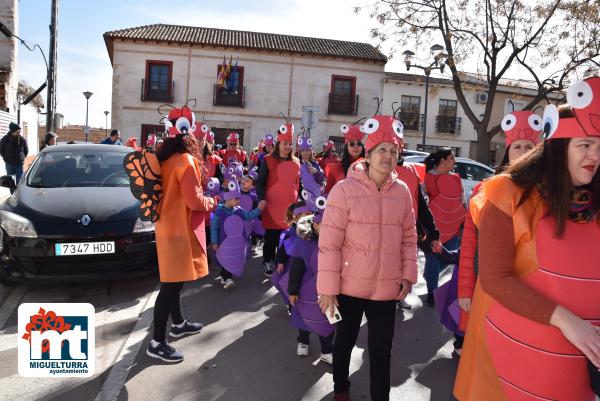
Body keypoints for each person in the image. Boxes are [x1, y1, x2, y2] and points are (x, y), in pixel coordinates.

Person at [454, 80, 600, 401]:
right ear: (560, 146)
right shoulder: (506, 193)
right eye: (585, 145)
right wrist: (567, 320)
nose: (595, 156)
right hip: (514, 363)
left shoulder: (594, 201)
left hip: (580, 372)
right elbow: (493, 275)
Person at [317, 115, 418, 401]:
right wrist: (327, 287)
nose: (388, 156)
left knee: (381, 351)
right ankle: (341, 390)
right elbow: (329, 243)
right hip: (349, 286)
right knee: (344, 342)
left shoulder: (403, 193)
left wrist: (408, 275)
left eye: (394, 151)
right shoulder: (344, 190)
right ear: (369, 153)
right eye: (382, 150)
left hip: (386, 289)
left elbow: (409, 238)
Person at [456, 110, 541, 353]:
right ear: (507, 152)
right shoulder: (486, 190)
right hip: (489, 287)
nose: (524, 153)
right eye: (517, 147)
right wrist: (465, 289)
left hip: (532, 291)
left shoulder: (548, 193)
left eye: (529, 147)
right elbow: (470, 244)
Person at [145, 109, 219, 363]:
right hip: (178, 230)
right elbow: (195, 201)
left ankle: (177, 323)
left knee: (175, 281)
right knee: (170, 286)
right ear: (190, 132)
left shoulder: (165, 158)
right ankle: (157, 342)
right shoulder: (186, 161)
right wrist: (214, 201)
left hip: (168, 228)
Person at [288, 213, 334, 365]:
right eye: (325, 226)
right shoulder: (304, 242)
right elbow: (296, 268)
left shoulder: (336, 241)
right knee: (304, 317)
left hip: (328, 289)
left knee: (327, 320)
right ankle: (303, 341)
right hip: (305, 288)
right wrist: (293, 291)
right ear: (315, 225)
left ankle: (327, 350)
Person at [256, 122, 300, 277]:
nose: (287, 146)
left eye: (290, 144)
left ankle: (281, 263)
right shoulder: (267, 159)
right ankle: (267, 260)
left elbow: (297, 184)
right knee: (272, 238)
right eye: (285, 143)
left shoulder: (296, 162)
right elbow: (260, 181)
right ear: (278, 143)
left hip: (289, 207)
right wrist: (261, 199)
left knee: (287, 238)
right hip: (271, 205)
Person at [422, 148, 465, 306]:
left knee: (449, 258)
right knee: (433, 259)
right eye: (452, 158)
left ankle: (429, 276)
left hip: (453, 228)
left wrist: (464, 220)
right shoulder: (427, 177)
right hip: (433, 229)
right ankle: (432, 291)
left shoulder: (455, 178)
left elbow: (462, 201)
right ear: (442, 160)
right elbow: (422, 202)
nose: (455, 161)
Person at [210, 180, 265, 289]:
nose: (239, 200)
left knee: (231, 258)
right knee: (225, 258)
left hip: (236, 242)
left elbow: (248, 216)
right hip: (223, 241)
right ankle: (228, 278)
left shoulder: (239, 210)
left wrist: (259, 209)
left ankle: (224, 276)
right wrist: (214, 242)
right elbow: (214, 228)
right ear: (228, 199)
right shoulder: (219, 212)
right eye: (237, 199)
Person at [324, 124, 365, 193]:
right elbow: (328, 191)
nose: (356, 147)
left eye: (359, 144)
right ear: (346, 147)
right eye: (352, 144)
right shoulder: (336, 168)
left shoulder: (370, 168)